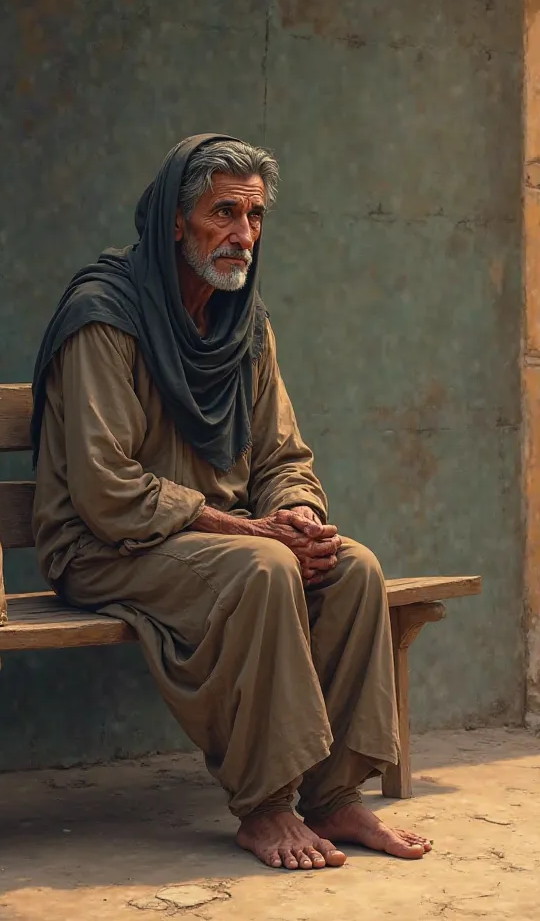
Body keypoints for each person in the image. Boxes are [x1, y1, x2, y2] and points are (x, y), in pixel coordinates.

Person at [31, 134, 432, 870]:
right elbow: (103, 486)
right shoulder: (104, 314)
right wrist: (248, 529)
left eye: (254, 218)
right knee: (264, 570)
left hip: (219, 542)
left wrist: (301, 518)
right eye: (224, 213)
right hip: (104, 544)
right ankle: (268, 805)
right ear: (176, 223)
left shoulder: (244, 326)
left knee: (352, 568)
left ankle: (335, 797)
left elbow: (283, 457)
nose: (243, 235)